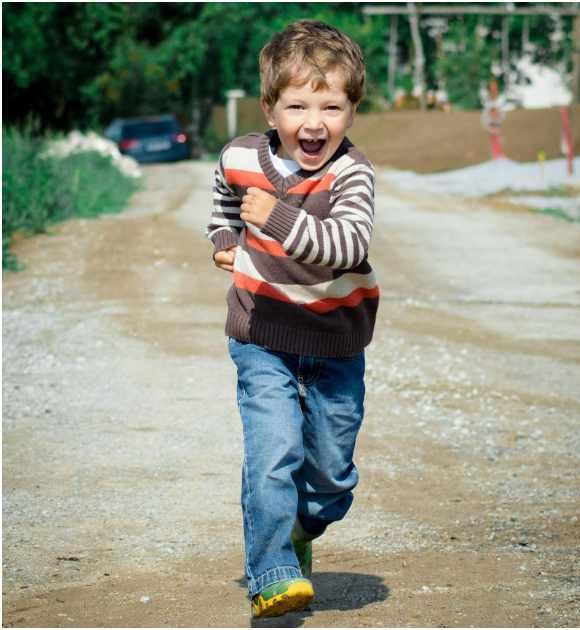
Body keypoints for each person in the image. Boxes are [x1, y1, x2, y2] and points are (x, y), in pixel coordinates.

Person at [205, 19, 379, 619]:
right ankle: (272, 570)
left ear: (352, 111)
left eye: (331, 106)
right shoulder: (241, 156)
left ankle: (303, 526)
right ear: (269, 108)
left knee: (331, 477)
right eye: (297, 105)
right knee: (272, 450)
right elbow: (225, 197)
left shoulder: (352, 174)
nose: (314, 122)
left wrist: (275, 219)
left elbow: (348, 245)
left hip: (334, 341)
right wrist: (225, 237)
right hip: (262, 334)